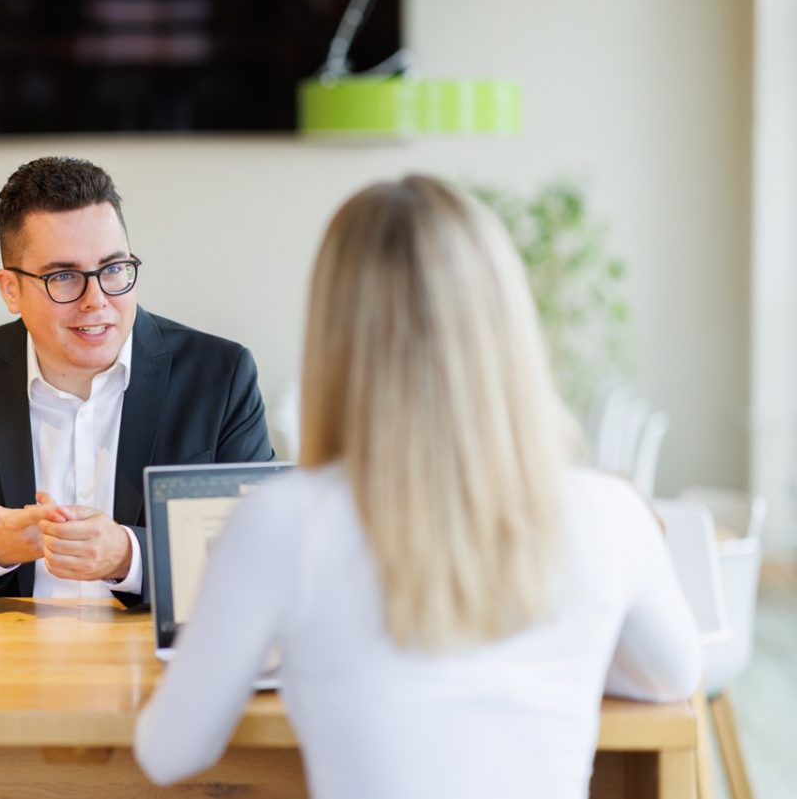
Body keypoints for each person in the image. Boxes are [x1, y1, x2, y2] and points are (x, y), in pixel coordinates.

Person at [134, 175, 701, 797]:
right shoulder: (610, 513)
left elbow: (169, 754)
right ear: (506, 322)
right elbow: (672, 679)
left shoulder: (282, 521)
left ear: (334, 333)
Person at [0, 156, 273, 606]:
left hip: (157, 667)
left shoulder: (219, 377)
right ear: (11, 289)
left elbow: (268, 558)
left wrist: (131, 557)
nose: (97, 300)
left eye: (113, 269)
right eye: (64, 277)